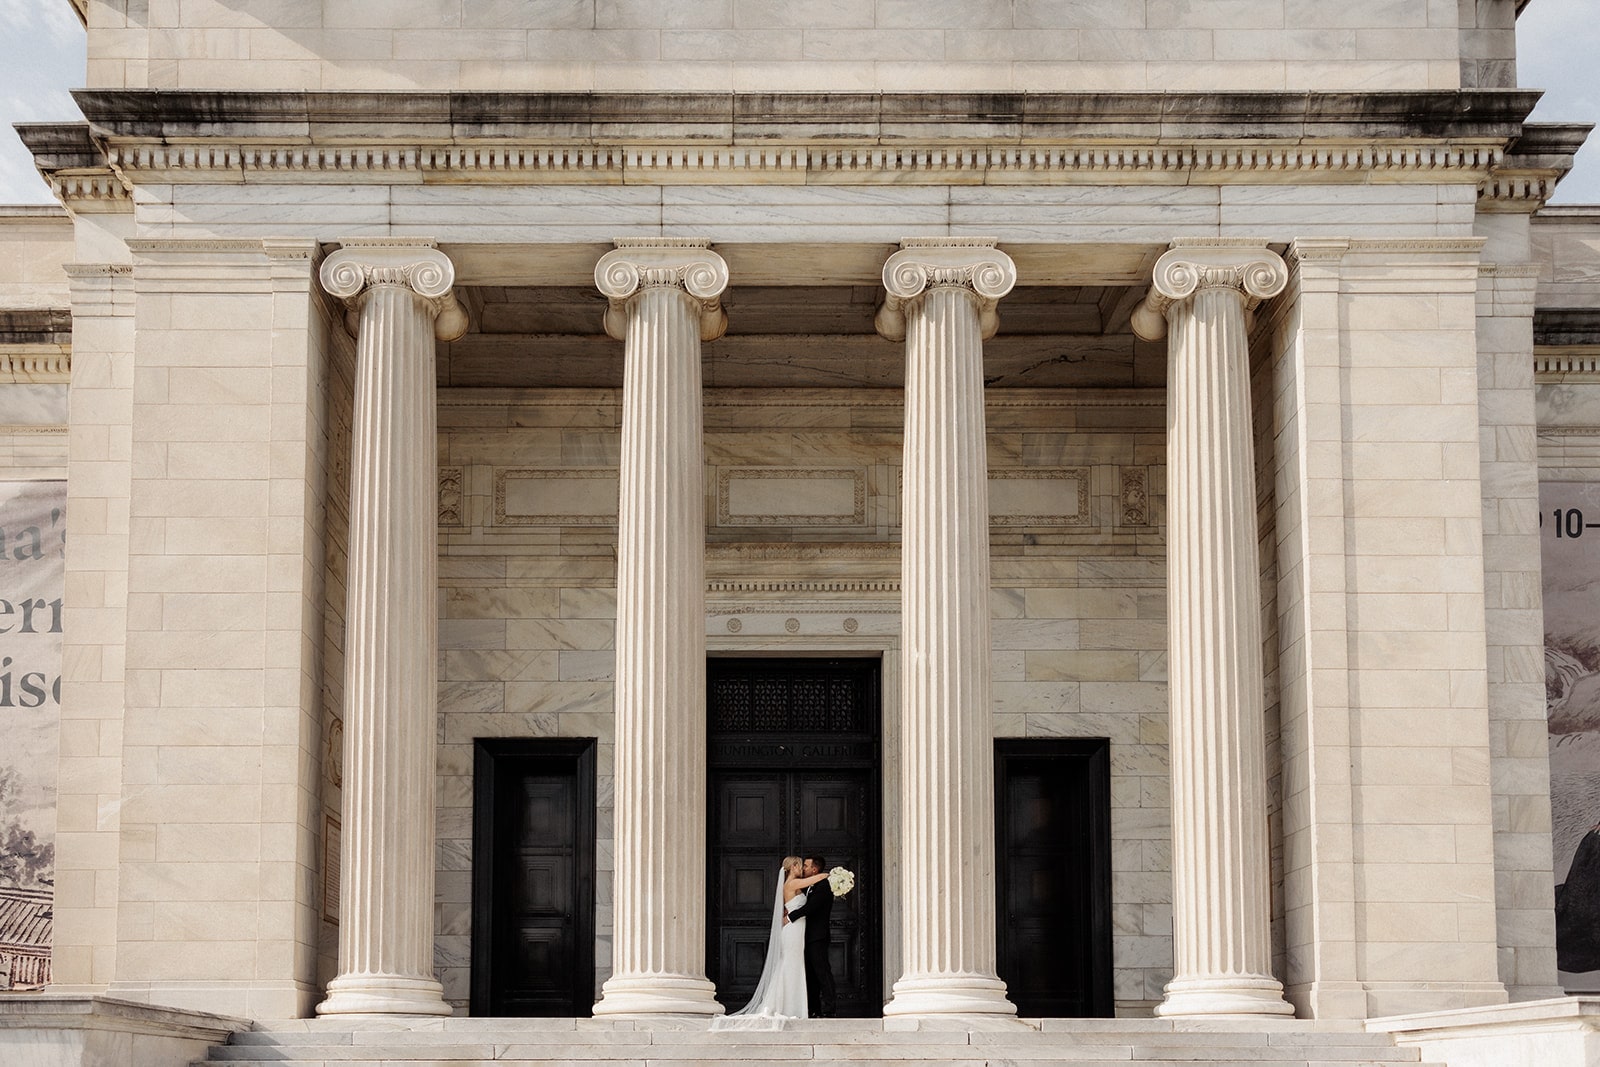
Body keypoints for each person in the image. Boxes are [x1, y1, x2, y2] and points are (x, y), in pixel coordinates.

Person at [711, 855, 829, 1028]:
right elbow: (818, 877)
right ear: (793, 867)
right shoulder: (793, 883)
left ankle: (791, 1005)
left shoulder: (790, 885)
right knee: (791, 964)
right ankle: (789, 1006)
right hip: (793, 929)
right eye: (800, 865)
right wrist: (831, 875)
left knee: (792, 964)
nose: (802, 869)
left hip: (795, 929)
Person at [785, 855, 836, 1017]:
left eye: (806, 866)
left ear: (814, 869)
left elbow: (811, 907)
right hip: (802, 936)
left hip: (817, 936)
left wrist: (789, 917)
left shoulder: (822, 886)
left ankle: (829, 1010)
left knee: (822, 973)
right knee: (811, 975)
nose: (804, 868)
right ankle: (813, 1009)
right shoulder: (806, 885)